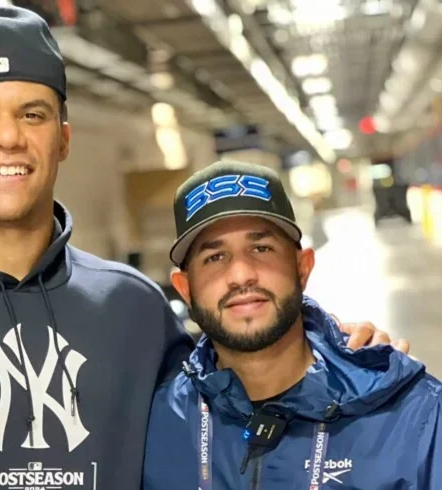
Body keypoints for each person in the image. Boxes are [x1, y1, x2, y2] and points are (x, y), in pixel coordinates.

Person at [0, 7, 407, 490]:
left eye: (32, 114)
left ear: (63, 137)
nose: (7, 137)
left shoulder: (134, 309)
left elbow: (240, 400)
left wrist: (334, 350)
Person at [143, 160, 442, 490]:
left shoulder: (413, 416)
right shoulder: (155, 423)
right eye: (214, 257)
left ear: (302, 268)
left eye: (261, 248)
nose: (241, 275)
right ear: (185, 289)